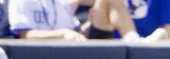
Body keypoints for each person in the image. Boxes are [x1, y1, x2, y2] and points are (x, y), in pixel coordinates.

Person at [8, 0, 147, 40]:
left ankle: (134, 41)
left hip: (78, 49)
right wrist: (62, 34)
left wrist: (88, 25)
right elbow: (24, 35)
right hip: (41, 57)